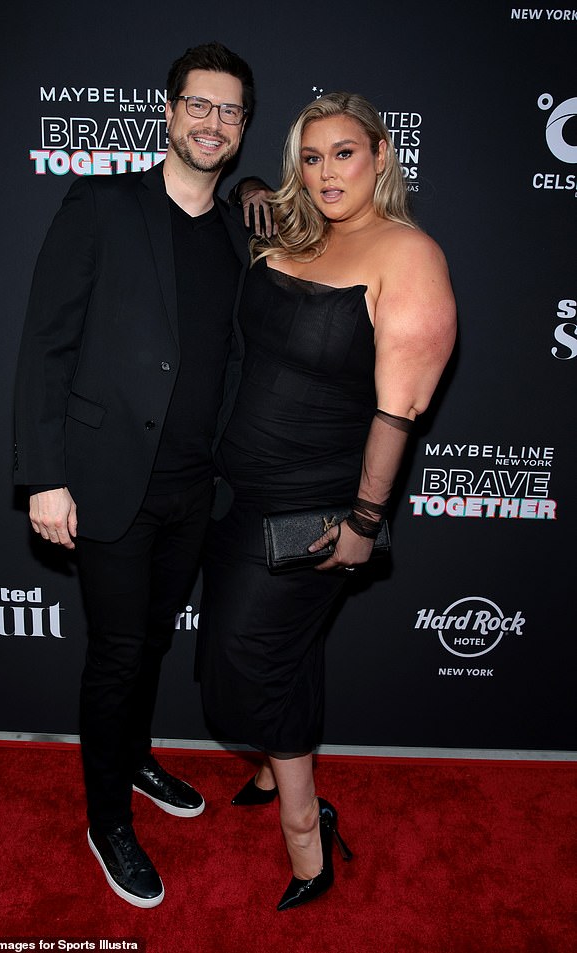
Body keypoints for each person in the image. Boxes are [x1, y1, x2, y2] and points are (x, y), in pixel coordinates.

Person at [13, 41, 258, 909]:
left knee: (153, 641)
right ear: (169, 110)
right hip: (107, 479)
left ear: (240, 128)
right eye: (200, 104)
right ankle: (107, 815)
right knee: (117, 654)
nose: (213, 122)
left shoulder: (238, 228)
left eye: (230, 111)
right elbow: (46, 343)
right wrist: (44, 474)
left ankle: (134, 753)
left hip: (196, 487)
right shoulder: (104, 203)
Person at [198, 92, 457, 911]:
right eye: (310, 158)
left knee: (250, 661)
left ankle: (309, 837)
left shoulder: (408, 255)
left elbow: (398, 411)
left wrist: (365, 522)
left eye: (343, 153)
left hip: (314, 508)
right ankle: (281, 778)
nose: (325, 172)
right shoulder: (298, 231)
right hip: (239, 492)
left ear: (381, 155)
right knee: (265, 656)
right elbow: (261, 209)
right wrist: (252, 194)